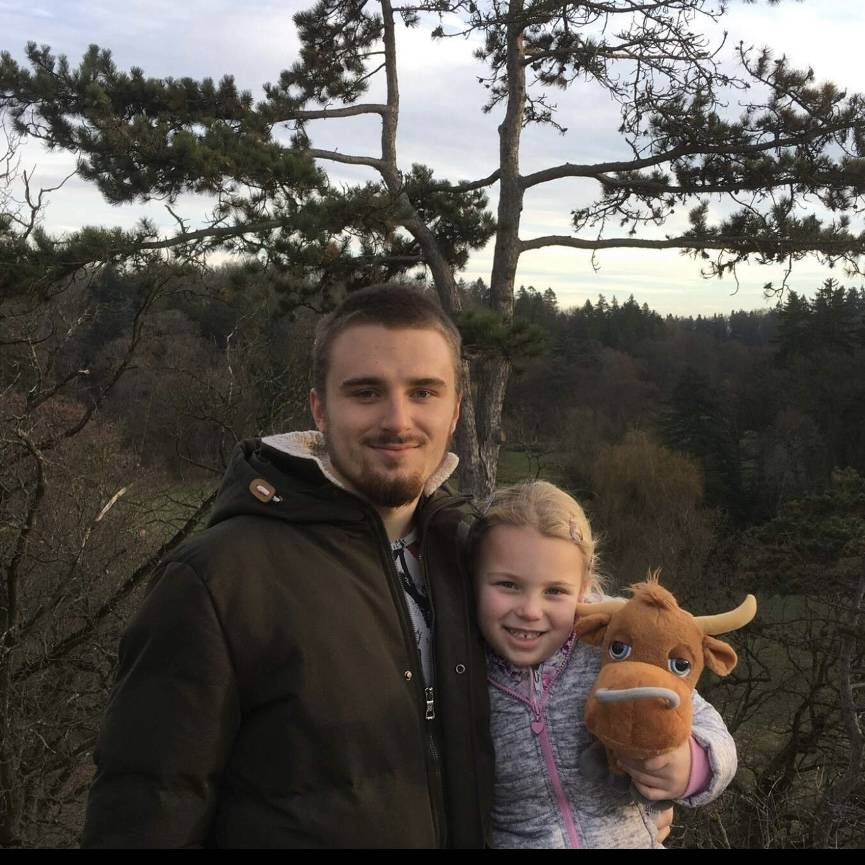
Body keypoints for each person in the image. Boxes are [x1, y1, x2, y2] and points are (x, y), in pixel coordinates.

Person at [81, 284, 494, 848]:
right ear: (320, 408)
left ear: (455, 410)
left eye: (423, 392)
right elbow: (146, 812)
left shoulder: (483, 562)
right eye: (366, 392)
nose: (398, 420)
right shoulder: (220, 580)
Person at [473, 480, 737, 848]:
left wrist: (692, 766)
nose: (530, 610)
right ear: (473, 581)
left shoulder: (618, 649)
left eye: (555, 591)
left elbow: (707, 722)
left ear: (584, 589)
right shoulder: (462, 669)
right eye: (507, 585)